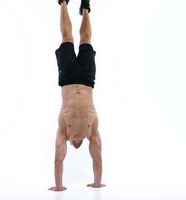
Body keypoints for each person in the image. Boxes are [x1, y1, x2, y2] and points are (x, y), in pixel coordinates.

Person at [48, 0, 105, 192]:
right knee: (86, 38)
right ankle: (86, 9)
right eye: (78, 142)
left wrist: (58, 186)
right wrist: (97, 182)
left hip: (67, 78)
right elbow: (97, 158)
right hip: (88, 79)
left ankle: (63, 2)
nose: (76, 140)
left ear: (69, 141)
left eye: (74, 142)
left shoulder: (62, 132)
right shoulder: (93, 132)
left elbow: (58, 158)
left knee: (66, 37)